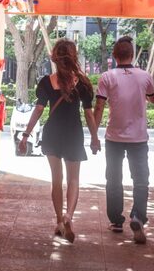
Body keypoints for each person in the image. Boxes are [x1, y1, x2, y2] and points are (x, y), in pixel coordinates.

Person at [19, 39, 100, 243]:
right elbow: (89, 114)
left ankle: (58, 221)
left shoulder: (47, 82)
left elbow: (38, 110)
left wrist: (26, 135)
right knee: (74, 179)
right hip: (73, 133)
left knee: (57, 179)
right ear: (74, 57)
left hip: (52, 133)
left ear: (55, 57)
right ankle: (69, 216)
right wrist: (95, 139)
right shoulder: (82, 83)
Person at [93, 36, 154, 244]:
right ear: (132, 54)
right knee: (140, 180)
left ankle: (116, 221)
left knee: (113, 179)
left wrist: (94, 135)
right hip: (139, 138)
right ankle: (138, 216)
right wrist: (144, 94)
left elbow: (100, 107)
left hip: (114, 137)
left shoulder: (107, 76)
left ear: (114, 55)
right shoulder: (144, 76)